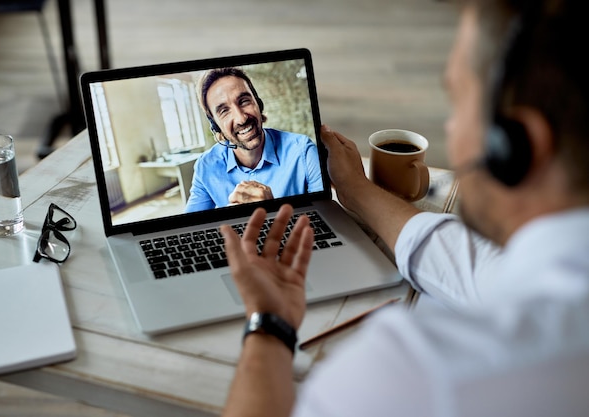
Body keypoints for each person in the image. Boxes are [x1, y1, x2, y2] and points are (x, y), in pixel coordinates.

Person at [218, 0, 589, 416]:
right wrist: (355, 190)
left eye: (459, 99)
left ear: (515, 144)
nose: (450, 129)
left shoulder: (418, 374)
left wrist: (270, 323)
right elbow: (477, 267)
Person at [184, 67, 324, 213]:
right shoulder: (205, 166)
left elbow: (325, 216)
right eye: (224, 111)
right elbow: (188, 228)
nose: (241, 118)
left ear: (258, 103)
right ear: (216, 125)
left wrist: (273, 213)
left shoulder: (303, 151)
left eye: (244, 101)